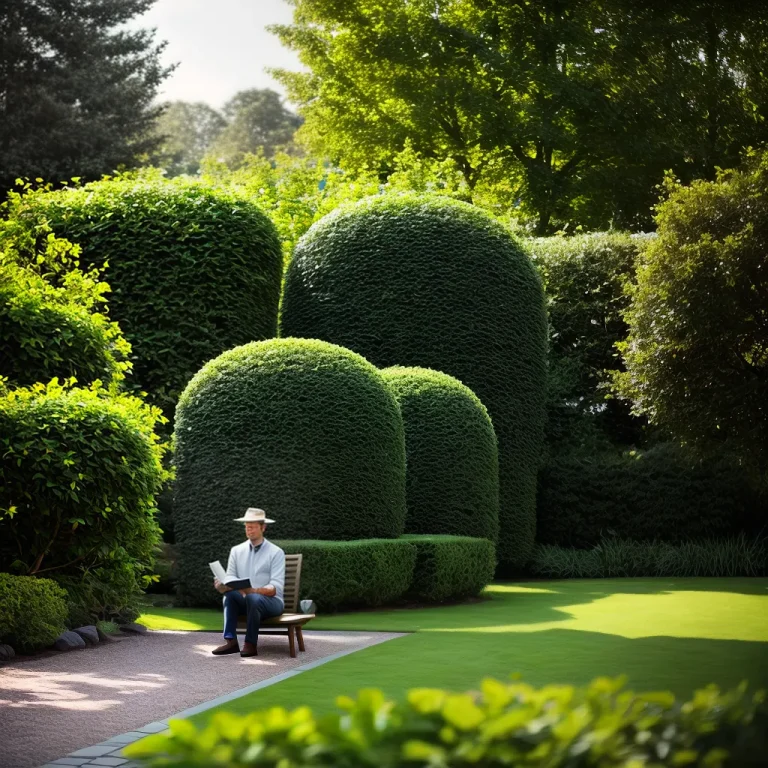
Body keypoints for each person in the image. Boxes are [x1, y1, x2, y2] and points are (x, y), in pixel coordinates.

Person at [211, 507, 285, 657]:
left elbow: (275, 587)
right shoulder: (236, 551)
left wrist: (254, 591)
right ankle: (231, 642)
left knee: (253, 597)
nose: (249, 530)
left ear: (263, 527)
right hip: (246, 600)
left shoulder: (276, 552)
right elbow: (230, 579)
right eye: (246, 526)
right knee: (229, 596)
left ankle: (250, 644)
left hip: (272, 602)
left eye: (252, 526)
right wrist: (222, 587)